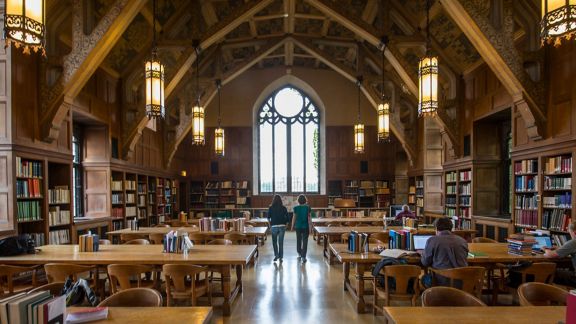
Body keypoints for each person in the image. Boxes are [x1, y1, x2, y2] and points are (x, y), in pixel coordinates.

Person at [420, 217, 468, 287]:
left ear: (436, 228)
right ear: (451, 228)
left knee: (423, 279)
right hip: (462, 282)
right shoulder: (462, 241)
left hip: (440, 282)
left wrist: (423, 254)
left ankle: (436, 296)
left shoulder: (432, 240)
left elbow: (425, 262)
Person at [544, 220, 576, 287]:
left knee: (549, 272)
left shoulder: (574, 242)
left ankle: (545, 295)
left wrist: (545, 249)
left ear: (574, 233)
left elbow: (549, 255)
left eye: (570, 233)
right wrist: (560, 248)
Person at [267, 194, 289, 262]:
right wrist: (286, 226)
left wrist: (270, 226)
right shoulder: (284, 208)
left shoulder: (271, 208)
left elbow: (268, 218)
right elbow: (288, 218)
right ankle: (281, 257)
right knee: (281, 242)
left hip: (274, 226)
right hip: (282, 226)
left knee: (274, 242)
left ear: (273, 200)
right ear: (280, 200)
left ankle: (276, 255)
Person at [292, 194, 312, 263]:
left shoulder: (296, 208)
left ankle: (299, 253)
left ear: (298, 201)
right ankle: (303, 256)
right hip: (305, 226)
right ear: (305, 200)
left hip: (298, 226)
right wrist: (311, 227)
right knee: (305, 241)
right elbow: (309, 218)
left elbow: (294, 218)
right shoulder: (308, 207)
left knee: (298, 240)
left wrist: (292, 226)